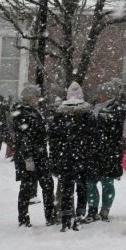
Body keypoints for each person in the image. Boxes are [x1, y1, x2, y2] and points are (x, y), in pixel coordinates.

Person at [50, 84, 95, 231]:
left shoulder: (60, 114)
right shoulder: (87, 113)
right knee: (81, 189)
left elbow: (54, 139)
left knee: (67, 190)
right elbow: (94, 139)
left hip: (66, 158)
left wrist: (55, 159)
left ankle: (65, 219)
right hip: (82, 157)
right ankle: (79, 218)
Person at [8, 86, 52, 227]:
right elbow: (25, 137)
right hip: (31, 155)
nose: (38, 100)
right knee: (32, 186)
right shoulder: (24, 113)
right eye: (36, 97)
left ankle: (30, 217)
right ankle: (28, 218)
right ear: (29, 98)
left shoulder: (28, 111)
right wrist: (28, 158)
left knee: (37, 186)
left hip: (34, 154)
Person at [88, 92, 125, 222]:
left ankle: (105, 209)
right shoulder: (94, 109)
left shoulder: (117, 110)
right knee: (91, 182)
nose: (100, 96)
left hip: (110, 152)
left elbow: (117, 131)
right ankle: (92, 209)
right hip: (95, 153)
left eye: (103, 94)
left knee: (107, 182)